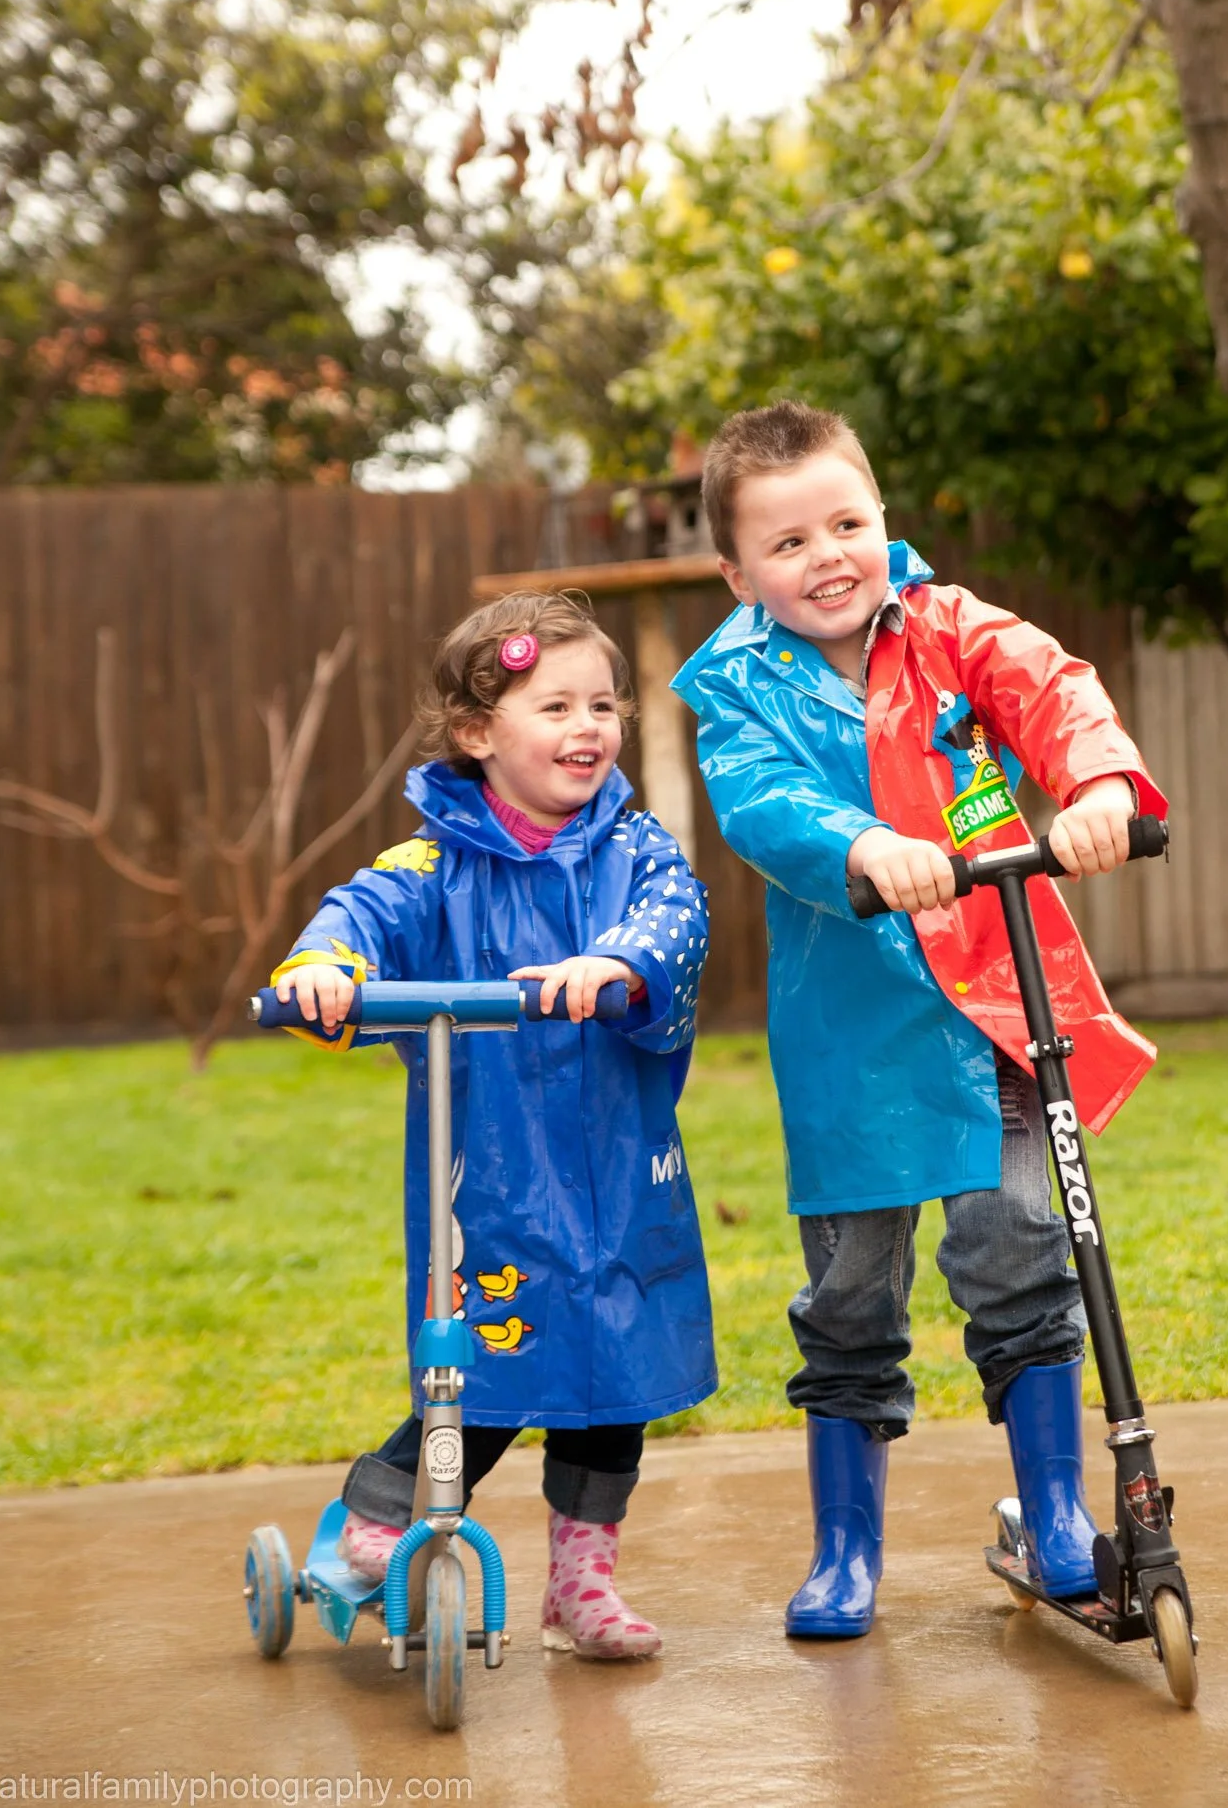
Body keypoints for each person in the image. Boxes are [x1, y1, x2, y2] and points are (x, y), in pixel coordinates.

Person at [673, 400, 1166, 1640]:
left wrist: (1099, 783)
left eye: (847, 522)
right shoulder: (738, 689)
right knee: (850, 1291)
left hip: (998, 1000)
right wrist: (863, 845)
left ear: (884, 522)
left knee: (1017, 1240)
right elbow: (761, 802)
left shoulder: (951, 629)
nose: (827, 555)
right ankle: (846, 1551)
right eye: (787, 544)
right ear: (736, 574)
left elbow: (1050, 688)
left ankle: (1058, 1517)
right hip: (853, 1032)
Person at [273, 592, 715, 1661]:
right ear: (478, 735)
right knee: (478, 1374)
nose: (588, 727)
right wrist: (329, 968)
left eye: (603, 704)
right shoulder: (436, 866)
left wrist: (616, 964)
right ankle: (383, 1520)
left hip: (618, 1174)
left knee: (613, 1381)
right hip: (493, 1184)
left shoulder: (636, 850)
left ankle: (582, 1581)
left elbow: (677, 916)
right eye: (554, 704)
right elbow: (359, 912)